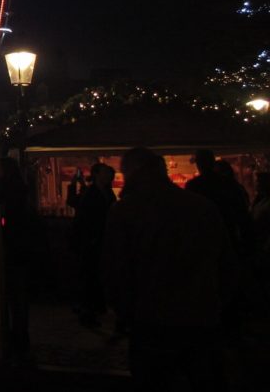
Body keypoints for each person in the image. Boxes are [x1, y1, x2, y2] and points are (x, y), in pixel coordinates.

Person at [105, 147, 237, 389]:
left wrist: (124, 311)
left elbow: (117, 268)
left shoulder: (126, 211)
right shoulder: (201, 207)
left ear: (132, 172)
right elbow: (226, 262)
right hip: (200, 314)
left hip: (152, 316)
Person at [0, 157, 34, 354]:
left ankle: (13, 330)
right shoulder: (22, 189)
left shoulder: (6, 191)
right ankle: (20, 330)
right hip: (21, 247)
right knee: (19, 292)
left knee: (12, 291)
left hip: (10, 246)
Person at [71, 162, 116, 327]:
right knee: (90, 276)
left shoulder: (104, 192)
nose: (109, 176)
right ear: (97, 174)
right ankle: (88, 311)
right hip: (93, 241)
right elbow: (86, 219)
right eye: (105, 173)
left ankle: (91, 309)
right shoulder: (93, 194)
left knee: (94, 276)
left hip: (98, 240)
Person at [185, 149, 249, 248]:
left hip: (204, 233)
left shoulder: (193, 185)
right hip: (227, 230)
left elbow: (189, 212)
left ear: (198, 164)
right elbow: (241, 210)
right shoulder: (228, 183)